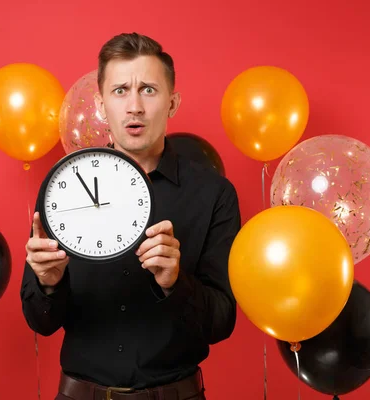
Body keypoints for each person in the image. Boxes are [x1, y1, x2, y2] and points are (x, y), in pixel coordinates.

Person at [20, 32, 241, 400]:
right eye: (120, 90)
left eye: (149, 90)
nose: (134, 106)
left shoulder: (214, 194)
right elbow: (41, 323)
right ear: (102, 104)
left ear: (172, 103)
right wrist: (49, 284)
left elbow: (222, 323)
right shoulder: (63, 189)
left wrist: (175, 283)